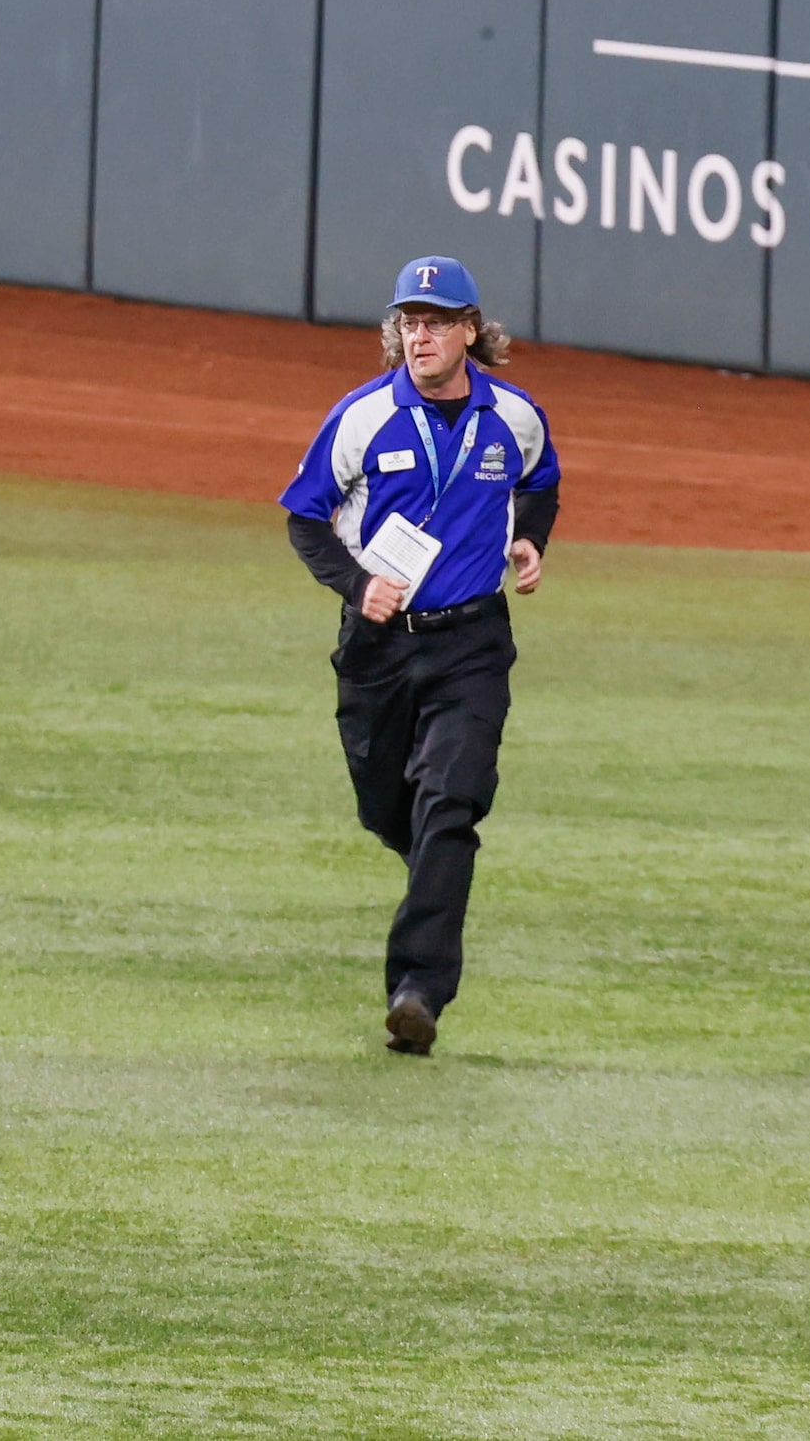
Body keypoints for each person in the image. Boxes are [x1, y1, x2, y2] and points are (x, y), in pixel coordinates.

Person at [281, 256, 560, 1055]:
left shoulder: (515, 414)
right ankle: (437, 869)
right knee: (386, 809)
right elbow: (305, 518)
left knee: (450, 803)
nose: (420, 335)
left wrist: (531, 542)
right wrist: (357, 581)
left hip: (472, 643)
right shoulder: (362, 417)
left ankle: (417, 992)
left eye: (437, 321)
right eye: (410, 320)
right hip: (378, 652)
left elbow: (541, 481)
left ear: (472, 331)